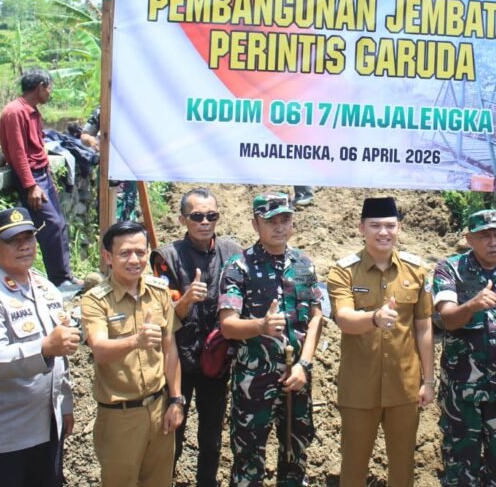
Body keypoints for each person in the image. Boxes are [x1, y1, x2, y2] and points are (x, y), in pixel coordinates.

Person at [0, 207, 78, 487]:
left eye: (29, 237)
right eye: (13, 240)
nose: (24, 246)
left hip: (46, 429)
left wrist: (65, 405)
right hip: (0, 439)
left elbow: (61, 357)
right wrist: (44, 348)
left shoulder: (45, 288)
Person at [327, 196, 435, 487]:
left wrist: (429, 380)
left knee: (403, 468)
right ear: (361, 228)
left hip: (405, 387)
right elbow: (344, 318)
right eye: (375, 225)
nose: (383, 232)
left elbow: (424, 328)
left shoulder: (417, 270)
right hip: (359, 388)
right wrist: (374, 317)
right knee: (353, 469)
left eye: (390, 225)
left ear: (400, 228)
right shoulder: (344, 271)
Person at [217, 192, 323, 485]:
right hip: (254, 383)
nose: (279, 227)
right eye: (271, 221)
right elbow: (228, 326)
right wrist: (260, 326)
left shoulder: (303, 264)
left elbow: (316, 318)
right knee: (248, 461)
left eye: (285, 220)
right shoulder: (239, 267)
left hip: (297, 379)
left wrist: (304, 364)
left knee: (295, 457)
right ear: (255, 225)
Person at [432, 209, 496, 486]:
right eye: (485, 236)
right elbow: (447, 320)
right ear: (469, 239)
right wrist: (472, 305)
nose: (493, 241)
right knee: (460, 468)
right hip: (460, 390)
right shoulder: (450, 269)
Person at [150, 187, 242, 487]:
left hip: (217, 360)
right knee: (171, 434)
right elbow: (165, 316)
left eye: (211, 216)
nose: (205, 222)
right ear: (182, 220)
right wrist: (187, 299)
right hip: (178, 361)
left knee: (212, 436)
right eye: (197, 216)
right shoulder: (166, 257)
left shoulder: (233, 253)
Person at [81, 221, 184, 487]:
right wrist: (136, 341)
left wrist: (176, 400)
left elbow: (170, 349)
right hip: (120, 416)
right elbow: (99, 350)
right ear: (108, 257)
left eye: (140, 252)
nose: (134, 260)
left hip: (160, 408)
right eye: (125, 253)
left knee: (160, 482)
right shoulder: (95, 301)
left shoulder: (159, 292)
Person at [0, 69, 78, 288]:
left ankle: (65, 275)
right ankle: (58, 279)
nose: (50, 92)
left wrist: (48, 177)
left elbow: (38, 147)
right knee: (51, 224)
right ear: (41, 86)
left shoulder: (32, 111)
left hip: (42, 174)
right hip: (32, 178)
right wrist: (31, 185)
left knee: (59, 223)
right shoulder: (15, 112)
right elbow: (18, 153)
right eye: (49, 87)